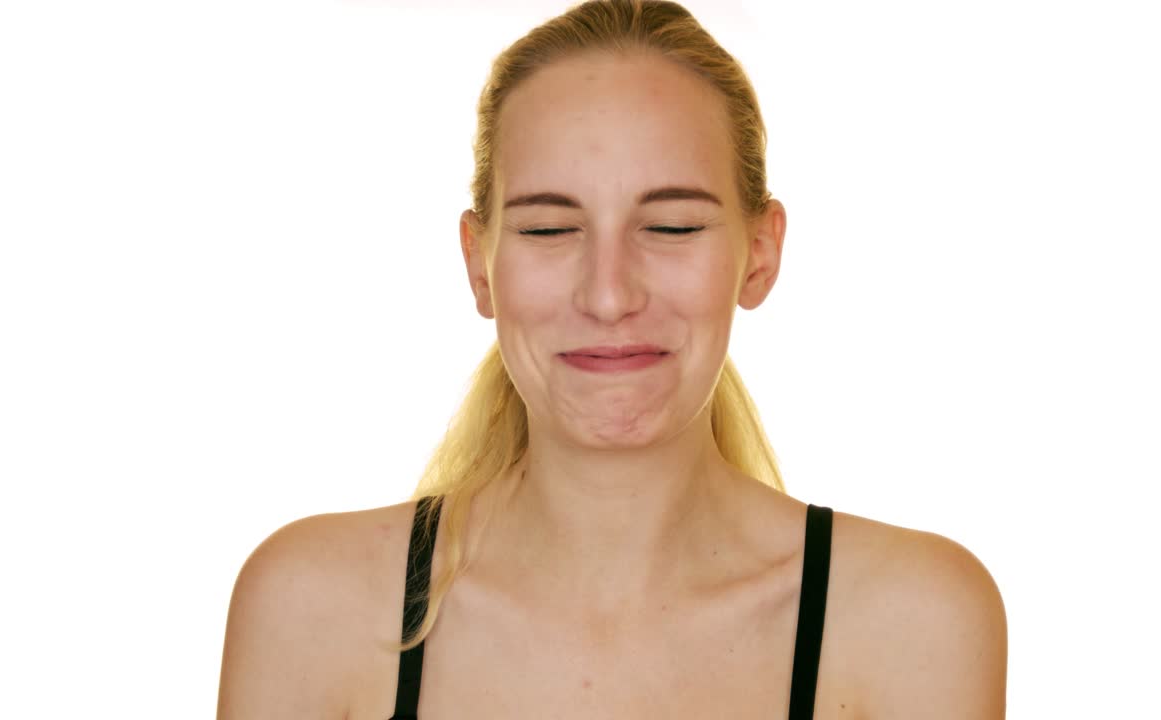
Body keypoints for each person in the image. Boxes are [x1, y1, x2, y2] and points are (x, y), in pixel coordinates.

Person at [216, 1, 1007, 717]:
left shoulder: (916, 622)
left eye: (671, 227)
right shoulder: (308, 610)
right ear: (479, 265)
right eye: (548, 230)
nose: (607, 295)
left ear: (760, 254)